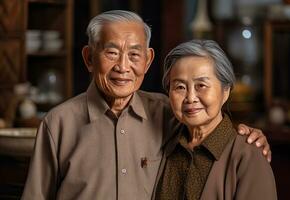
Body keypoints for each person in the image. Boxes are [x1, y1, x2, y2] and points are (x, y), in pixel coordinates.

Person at [22, 10, 271, 200]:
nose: (123, 66)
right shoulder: (59, 123)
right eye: (111, 53)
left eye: (134, 54)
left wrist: (248, 137)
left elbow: (209, 125)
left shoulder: (167, 112)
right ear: (89, 58)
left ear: (148, 60)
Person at [154, 39, 277, 200]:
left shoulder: (248, 155)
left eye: (201, 85)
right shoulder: (165, 144)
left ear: (225, 91)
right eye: (180, 87)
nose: (190, 98)